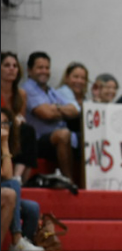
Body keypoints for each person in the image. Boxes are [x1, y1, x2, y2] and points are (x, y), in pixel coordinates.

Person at [22, 51, 80, 181]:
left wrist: (57, 108)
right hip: (38, 141)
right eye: (40, 67)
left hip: (56, 140)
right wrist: (62, 112)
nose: (44, 71)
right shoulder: (28, 88)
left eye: (47, 68)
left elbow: (75, 110)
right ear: (29, 70)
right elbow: (46, 114)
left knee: (85, 138)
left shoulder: (51, 91)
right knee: (63, 134)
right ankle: (68, 180)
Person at [1, 108, 44, 251]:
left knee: (32, 208)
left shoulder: (5, 143)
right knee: (12, 184)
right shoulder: (3, 143)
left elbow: (6, 174)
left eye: (5, 123)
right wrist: (4, 144)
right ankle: (16, 239)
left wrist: (5, 144)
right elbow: (7, 176)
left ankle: (23, 244)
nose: (2, 127)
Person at [1, 51, 38, 184]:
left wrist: (17, 121)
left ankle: (18, 177)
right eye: (7, 65)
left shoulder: (21, 94)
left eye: (15, 66)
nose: (12, 68)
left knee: (28, 130)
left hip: (13, 129)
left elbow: (20, 117)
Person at [56, 62, 89, 150]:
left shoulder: (85, 98)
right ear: (67, 78)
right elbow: (77, 111)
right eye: (76, 77)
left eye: (83, 78)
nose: (79, 81)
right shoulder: (63, 91)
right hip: (65, 136)